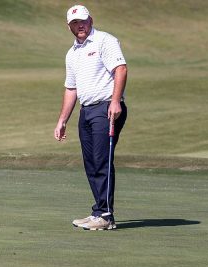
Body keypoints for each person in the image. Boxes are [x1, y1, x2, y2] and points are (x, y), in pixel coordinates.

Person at [54, 5, 128, 230]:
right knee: (91, 163)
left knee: (101, 160)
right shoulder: (72, 53)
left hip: (106, 108)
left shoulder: (104, 41)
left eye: (83, 21)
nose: (80, 26)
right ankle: (99, 211)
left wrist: (115, 101)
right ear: (70, 27)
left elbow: (121, 69)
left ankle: (106, 216)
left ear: (91, 20)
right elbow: (71, 89)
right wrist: (62, 119)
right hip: (86, 111)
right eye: (75, 23)